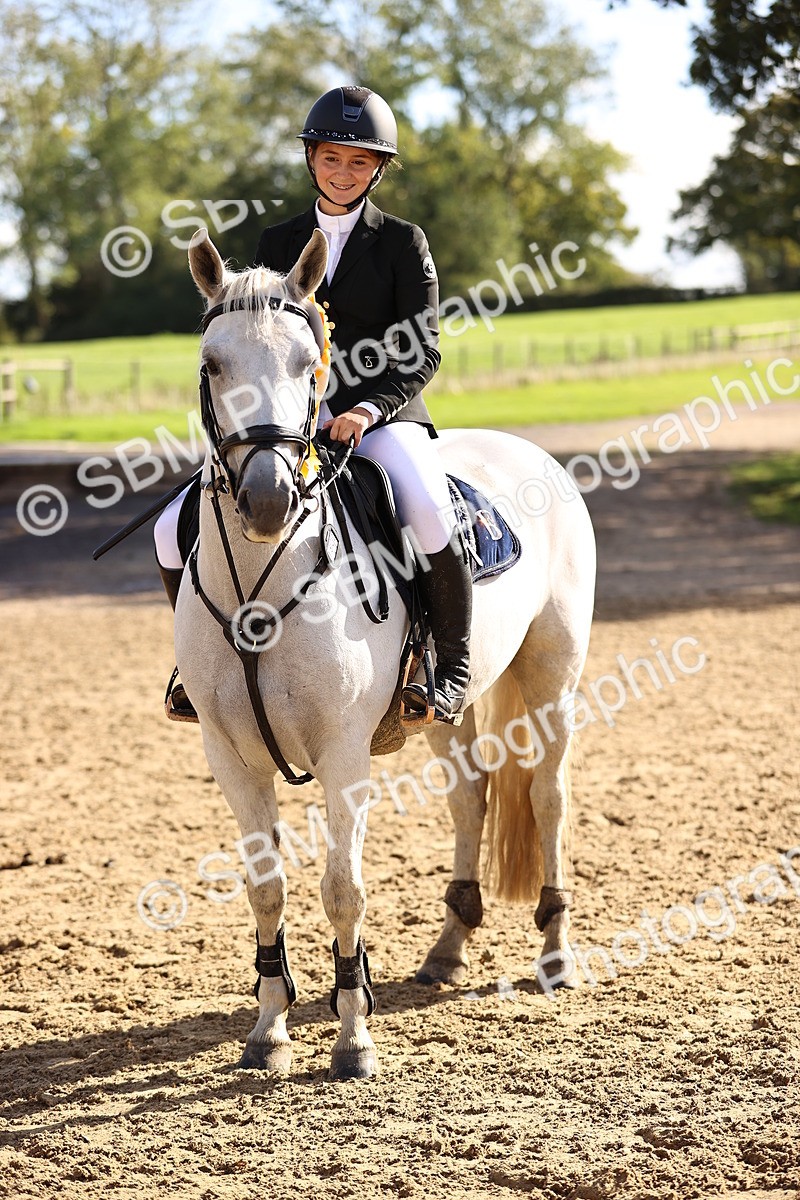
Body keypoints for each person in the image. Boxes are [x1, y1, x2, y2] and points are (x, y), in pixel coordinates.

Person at [154, 84, 471, 724]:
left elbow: (424, 351)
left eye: (359, 161)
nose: (344, 172)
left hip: (380, 420)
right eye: (332, 158)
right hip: (283, 424)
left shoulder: (404, 244)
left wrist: (366, 410)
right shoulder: (278, 241)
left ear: (378, 168)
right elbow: (253, 341)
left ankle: (445, 662)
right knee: (169, 527)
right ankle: (198, 663)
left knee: (428, 508)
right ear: (311, 160)